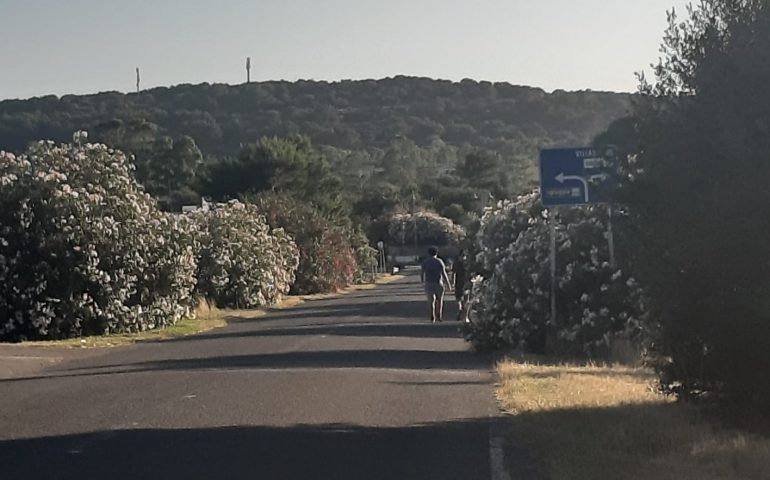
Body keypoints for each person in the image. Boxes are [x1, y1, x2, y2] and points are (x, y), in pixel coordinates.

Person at [421, 246, 452, 323]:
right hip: (438, 283)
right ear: (436, 253)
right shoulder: (439, 261)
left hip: (429, 283)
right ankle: (439, 315)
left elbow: (422, 272)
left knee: (431, 301)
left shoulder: (425, 262)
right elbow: (444, 273)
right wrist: (448, 284)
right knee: (440, 300)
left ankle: (432, 315)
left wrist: (422, 281)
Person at [453, 250, 468, 321]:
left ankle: (460, 309)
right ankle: (465, 316)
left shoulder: (456, 263)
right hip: (467, 282)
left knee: (458, 298)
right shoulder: (467, 263)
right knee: (466, 300)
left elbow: (454, 274)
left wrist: (452, 282)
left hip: (458, 283)